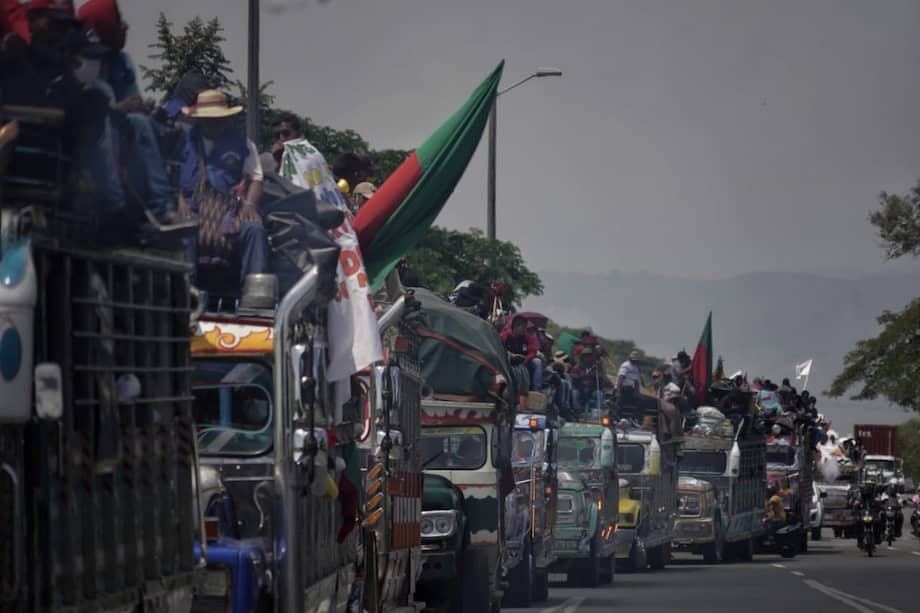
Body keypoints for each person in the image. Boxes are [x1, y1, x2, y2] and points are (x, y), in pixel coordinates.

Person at [178, 89, 267, 285]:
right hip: (191, 209)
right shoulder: (181, 141)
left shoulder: (244, 143)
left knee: (255, 230)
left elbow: (256, 178)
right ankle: (186, 290)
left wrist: (250, 204)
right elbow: (166, 175)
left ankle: (254, 293)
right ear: (200, 120)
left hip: (229, 211)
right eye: (209, 119)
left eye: (218, 118)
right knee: (182, 230)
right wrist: (178, 201)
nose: (214, 122)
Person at [76, 0, 143, 113]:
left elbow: (135, 99)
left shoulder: (124, 62)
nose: (126, 26)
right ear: (103, 28)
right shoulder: (81, 67)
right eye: (118, 21)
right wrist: (118, 109)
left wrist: (141, 106)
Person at [500, 314, 543, 391]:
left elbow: (533, 351)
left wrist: (527, 358)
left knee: (537, 362)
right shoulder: (504, 336)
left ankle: (536, 390)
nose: (524, 330)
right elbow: (498, 347)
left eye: (525, 328)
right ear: (516, 327)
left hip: (524, 362)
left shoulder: (527, 337)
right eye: (523, 328)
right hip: (507, 362)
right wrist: (507, 354)